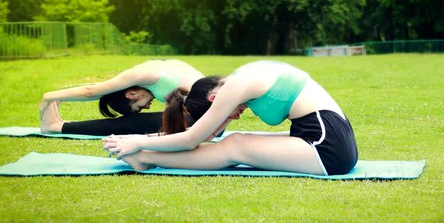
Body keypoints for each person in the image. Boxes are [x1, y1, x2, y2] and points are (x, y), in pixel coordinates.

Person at [103, 61, 358, 176]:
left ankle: (146, 160)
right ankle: (146, 155)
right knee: (239, 139)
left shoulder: (236, 86)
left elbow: (193, 138)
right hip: (327, 136)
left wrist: (139, 144)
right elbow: (209, 135)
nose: (234, 116)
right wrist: (146, 137)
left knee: (235, 146)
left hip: (328, 146)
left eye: (227, 114)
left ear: (215, 100)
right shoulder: (241, 78)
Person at [39, 59, 206, 136]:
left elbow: (91, 91)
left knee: (129, 124)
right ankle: (59, 124)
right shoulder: (144, 73)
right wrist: (60, 97)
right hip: (206, 120)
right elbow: (101, 91)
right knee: (135, 122)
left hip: (206, 123)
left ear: (131, 94)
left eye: (139, 107)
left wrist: (49, 96)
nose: (147, 107)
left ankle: (56, 126)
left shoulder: (144, 74)